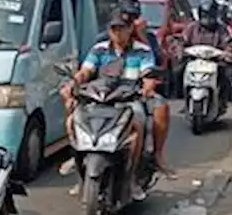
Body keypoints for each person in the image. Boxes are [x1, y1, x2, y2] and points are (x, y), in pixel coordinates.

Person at [60, 11, 159, 200]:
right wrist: (74, 83)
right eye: (114, 29)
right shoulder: (99, 49)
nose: (118, 33)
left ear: (131, 29)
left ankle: (132, 176)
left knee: (137, 125)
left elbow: (148, 74)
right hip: (99, 99)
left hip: (129, 101)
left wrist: (148, 86)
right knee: (72, 120)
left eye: (122, 28)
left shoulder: (142, 51)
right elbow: (86, 71)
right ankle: (79, 162)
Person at [116, 0, 174, 177]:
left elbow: (156, 62)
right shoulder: (105, 41)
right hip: (108, 92)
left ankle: (157, 154)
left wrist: (141, 37)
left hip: (137, 91)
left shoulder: (147, 39)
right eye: (126, 18)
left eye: (133, 18)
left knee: (161, 108)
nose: (129, 23)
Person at [182, 0, 232, 105]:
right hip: (194, 61)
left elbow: (229, 42)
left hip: (216, 61)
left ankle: (224, 98)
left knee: (227, 73)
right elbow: (182, 41)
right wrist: (181, 51)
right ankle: (183, 97)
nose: (207, 19)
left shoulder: (221, 29)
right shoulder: (192, 28)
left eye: (210, 16)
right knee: (177, 71)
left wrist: (227, 52)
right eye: (204, 15)